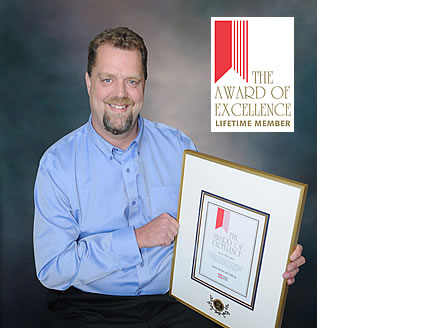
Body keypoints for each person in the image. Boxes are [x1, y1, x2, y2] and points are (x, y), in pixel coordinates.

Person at [33, 27, 305, 328]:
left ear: (144, 85)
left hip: (176, 304)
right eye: (107, 79)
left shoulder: (180, 148)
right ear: (88, 82)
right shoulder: (56, 164)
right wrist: (137, 238)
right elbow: (52, 268)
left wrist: (271, 258)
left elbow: (215, 234)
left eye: (132, 81)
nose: (120, 93)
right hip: (91, 308)